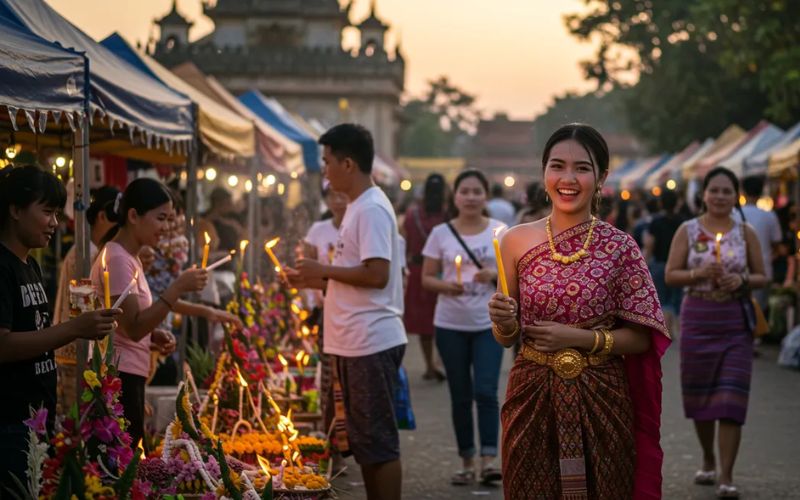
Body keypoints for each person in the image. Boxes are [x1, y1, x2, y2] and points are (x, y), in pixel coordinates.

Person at [488, 124, 671, 499]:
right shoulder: (513, 241)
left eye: (582, 168)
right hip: (531, 395)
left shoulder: (621, 247)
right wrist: (503, 323)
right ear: (544, 173)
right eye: (557, 166)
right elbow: (506, 335)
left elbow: (642, 337)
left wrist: (579, 339)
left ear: (601, 176)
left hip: (603, 397)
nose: (568, 179)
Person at [287, 124, 407, 500]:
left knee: (379, 444)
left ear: (349, 163)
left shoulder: (370, 208)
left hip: (370, 340)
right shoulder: (358, 206)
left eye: (327, 162)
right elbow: (356, 277)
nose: (324, 170)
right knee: (364, 443)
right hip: (354, 340)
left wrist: (323, 270)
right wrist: (315, 280)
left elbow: (377, 273)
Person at [91, 178, 240, 448]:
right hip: (118, 375)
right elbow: (134, 327)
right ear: (134, 215)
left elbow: (126, 324)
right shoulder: (117, 259)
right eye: (161, 218)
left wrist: (153, 336)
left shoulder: (129, 257)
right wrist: (178, 287)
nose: (167, 228)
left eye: (170, 219)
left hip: (128, 371)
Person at [0, 165, 120, 490]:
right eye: (47, 212)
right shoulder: (2, 267)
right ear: (14, 210)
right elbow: (4, 345)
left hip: (37, 417)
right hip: (10, 422)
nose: (55, 223)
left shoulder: (31, 264)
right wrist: (72, 329)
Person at [665, 167, 767, 499]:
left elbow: (763, 276)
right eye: (715, 190)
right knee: (701, 394)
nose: (720, 197)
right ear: (704, 194)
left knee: (731, 398)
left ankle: (726, 475)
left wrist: (742, 280)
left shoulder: (746, 231)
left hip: (735, 322)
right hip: (697, 318)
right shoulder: (688, 230)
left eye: (726, 191)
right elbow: (670, 275)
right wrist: (697, 272)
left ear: (734, 195)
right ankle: (707, 457)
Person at [421, 169, 505, 486]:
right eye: (465, 191)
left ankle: (489, 459)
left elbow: (516, 277)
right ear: (454, 197)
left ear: (486, 196)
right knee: (460, 395)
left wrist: (494, 277)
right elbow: (426, 278)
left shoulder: (500, 231)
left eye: (476, 191)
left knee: (486, 390)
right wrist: (444, 286)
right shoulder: (440, 234)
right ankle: (466, 460)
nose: (470, 197)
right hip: (450, 324)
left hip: (488, 323)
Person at [53, 186, 120, 410]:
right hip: (76, 356)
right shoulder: (86, 255)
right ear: (101, 216)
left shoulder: (89, 251)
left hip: (72, 352)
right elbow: (83, 310)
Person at [402, 173, 448, 381]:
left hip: (419, 271)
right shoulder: (449, 215)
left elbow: (405, 241)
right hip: (444, 272)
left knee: (424, 324)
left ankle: (430, 364)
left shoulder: (412, 216)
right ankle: (440, 361)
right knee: (443, 320)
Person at [735, 176, 781, 311]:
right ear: (761, 192)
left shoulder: (734, 214)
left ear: (742, 191)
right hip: (763, 272)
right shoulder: (769, 215)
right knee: (759, 314)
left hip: (737, 273)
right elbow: (777, 245)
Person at [644, 189, 685, 334]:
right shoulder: (683, 222)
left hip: (660, 264)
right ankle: (680, 330)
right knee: (678, 298)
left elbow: (650, 244)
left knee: (662, 298)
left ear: (661, 203)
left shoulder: (656, 222)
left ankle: (668, 330)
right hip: (679, 266)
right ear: (677, 203)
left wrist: (644, 263)